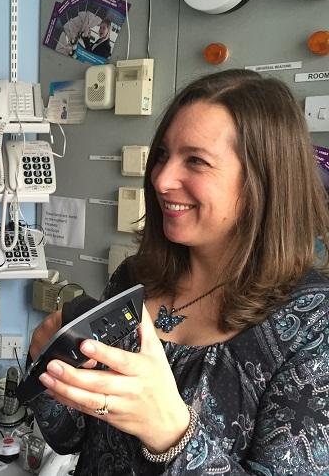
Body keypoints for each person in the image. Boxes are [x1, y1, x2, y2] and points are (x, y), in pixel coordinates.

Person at [27, 69, 329, 475]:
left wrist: (172, 434)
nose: (161, 179)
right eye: (164, 155)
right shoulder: (137, 277)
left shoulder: (313, 324)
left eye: (196, 161)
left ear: (262, 181)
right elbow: (74, 436)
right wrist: (51, 370)